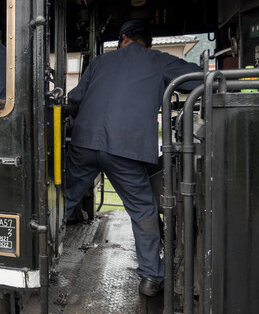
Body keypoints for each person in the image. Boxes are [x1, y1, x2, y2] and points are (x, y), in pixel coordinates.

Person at [65, 20, 201, 297]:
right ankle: (151, 278)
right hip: (125, 147)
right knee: (142, 210)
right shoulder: (159, 59)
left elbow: (74, 98)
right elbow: (197, 78)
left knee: (63, 198)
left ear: (123, 38)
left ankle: (39, 255)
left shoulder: (101, 62)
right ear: (148, 43)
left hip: (84, 142)